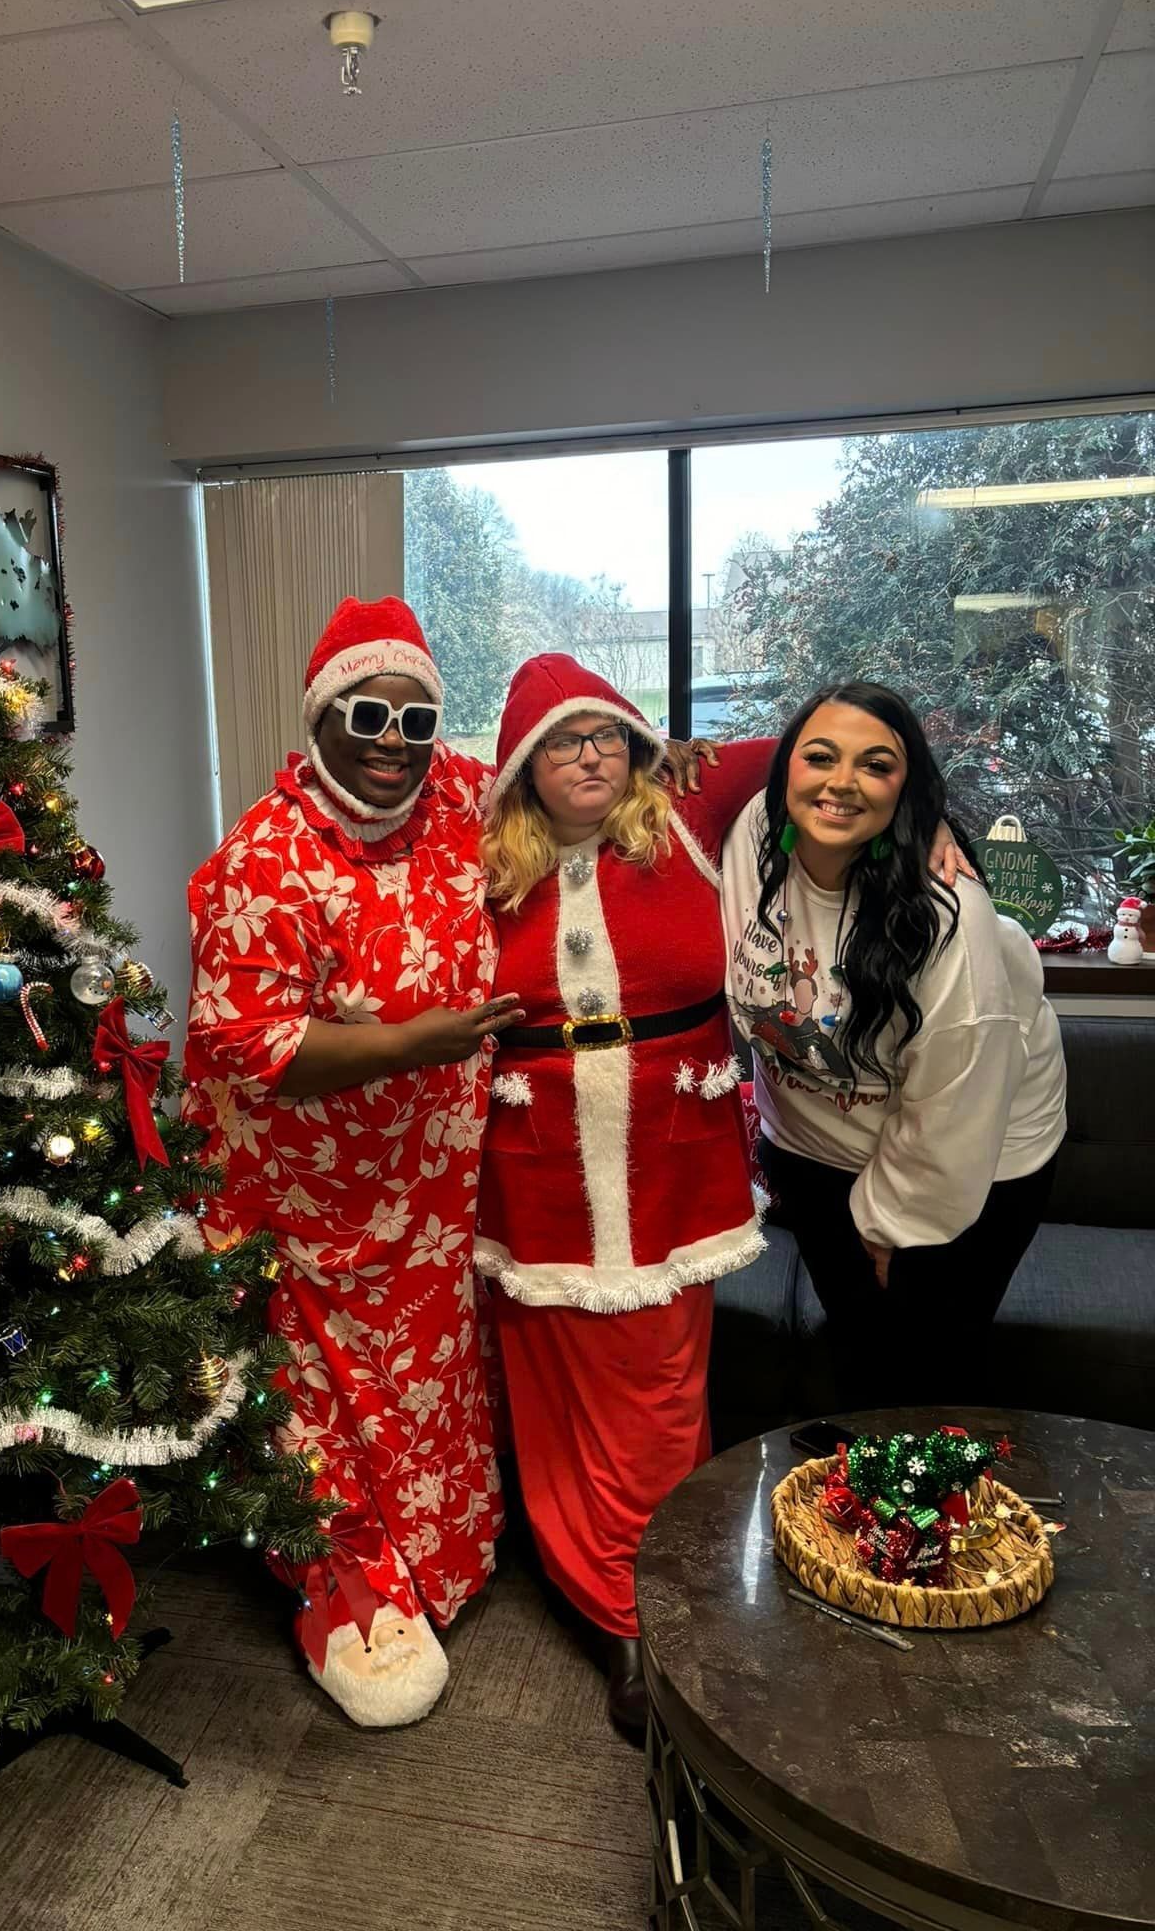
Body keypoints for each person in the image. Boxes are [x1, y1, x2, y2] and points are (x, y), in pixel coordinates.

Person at [182, 596, 520, 1728]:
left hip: (424, 1200)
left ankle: (433, 1567)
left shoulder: (456, 805)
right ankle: (347, 1584)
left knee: (426, 1387)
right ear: (322, 718)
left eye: (416, 720)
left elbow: (577, 766)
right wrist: (408, 1044)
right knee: (317, 1403)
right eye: (367, 713)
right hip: (303, 1207)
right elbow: (243, 1039)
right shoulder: (262, 862)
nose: (392, 739)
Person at [473, 654, 780, 1729]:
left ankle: (654, 1600)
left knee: (657, 1391)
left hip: (675, 1169)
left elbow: (839, 744)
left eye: (608, 732)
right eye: (562, 739)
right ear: (522, 763)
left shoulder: (689, 810)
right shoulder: (483, 857)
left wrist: (936, 833)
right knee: (553, 1393)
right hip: (535, 1174)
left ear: (641, 743)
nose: (591, 752)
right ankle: (607, 1601)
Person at [720, 683, 1066, 1411]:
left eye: (876, 766)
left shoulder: (947, 919)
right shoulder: (754, 832)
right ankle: (845, 1506)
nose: (841, 782)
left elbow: (955, 1114)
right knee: (860, 1357)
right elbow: (665, 771)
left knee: (926, 1380)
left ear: (906, 790)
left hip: (971, 1163)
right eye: (820, 757)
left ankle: (941, 1517)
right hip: (814, 1149)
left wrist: (884, 1228)